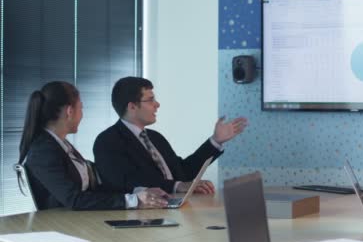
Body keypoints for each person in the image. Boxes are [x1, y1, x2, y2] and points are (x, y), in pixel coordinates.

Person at [18, 81, 169, 210]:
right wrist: (134, 201)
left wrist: (138, 192)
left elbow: (93, 188)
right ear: (70, 111)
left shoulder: (60, 145)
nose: (82, 115)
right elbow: (75, 199)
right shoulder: (43, 151)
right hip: (63, 226)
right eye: (81, 108)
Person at [93, 77, 248, 194]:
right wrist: (177, 186)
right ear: (132, 106)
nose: (157, 104)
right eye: (150, 100)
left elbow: (183, 172)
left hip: (174, 207)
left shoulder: (155, 137)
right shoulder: (107, 141)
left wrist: (215, 141)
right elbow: (127, 182)